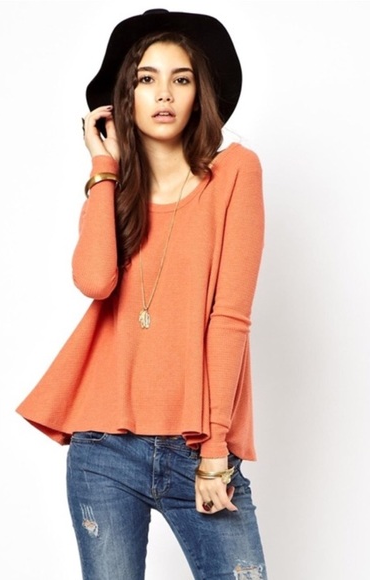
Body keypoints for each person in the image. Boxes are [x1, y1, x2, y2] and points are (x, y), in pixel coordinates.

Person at [17, 8, 267, 580]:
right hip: (103, 449)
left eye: (181, 79)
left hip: (196, 447)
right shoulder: (113, 190)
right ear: (125, 98)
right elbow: (94, 281)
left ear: (200, 94)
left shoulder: (235, 173)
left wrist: (214, 451)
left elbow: (229, 317)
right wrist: (103, 168)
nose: (164, 94)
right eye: (146, 79)